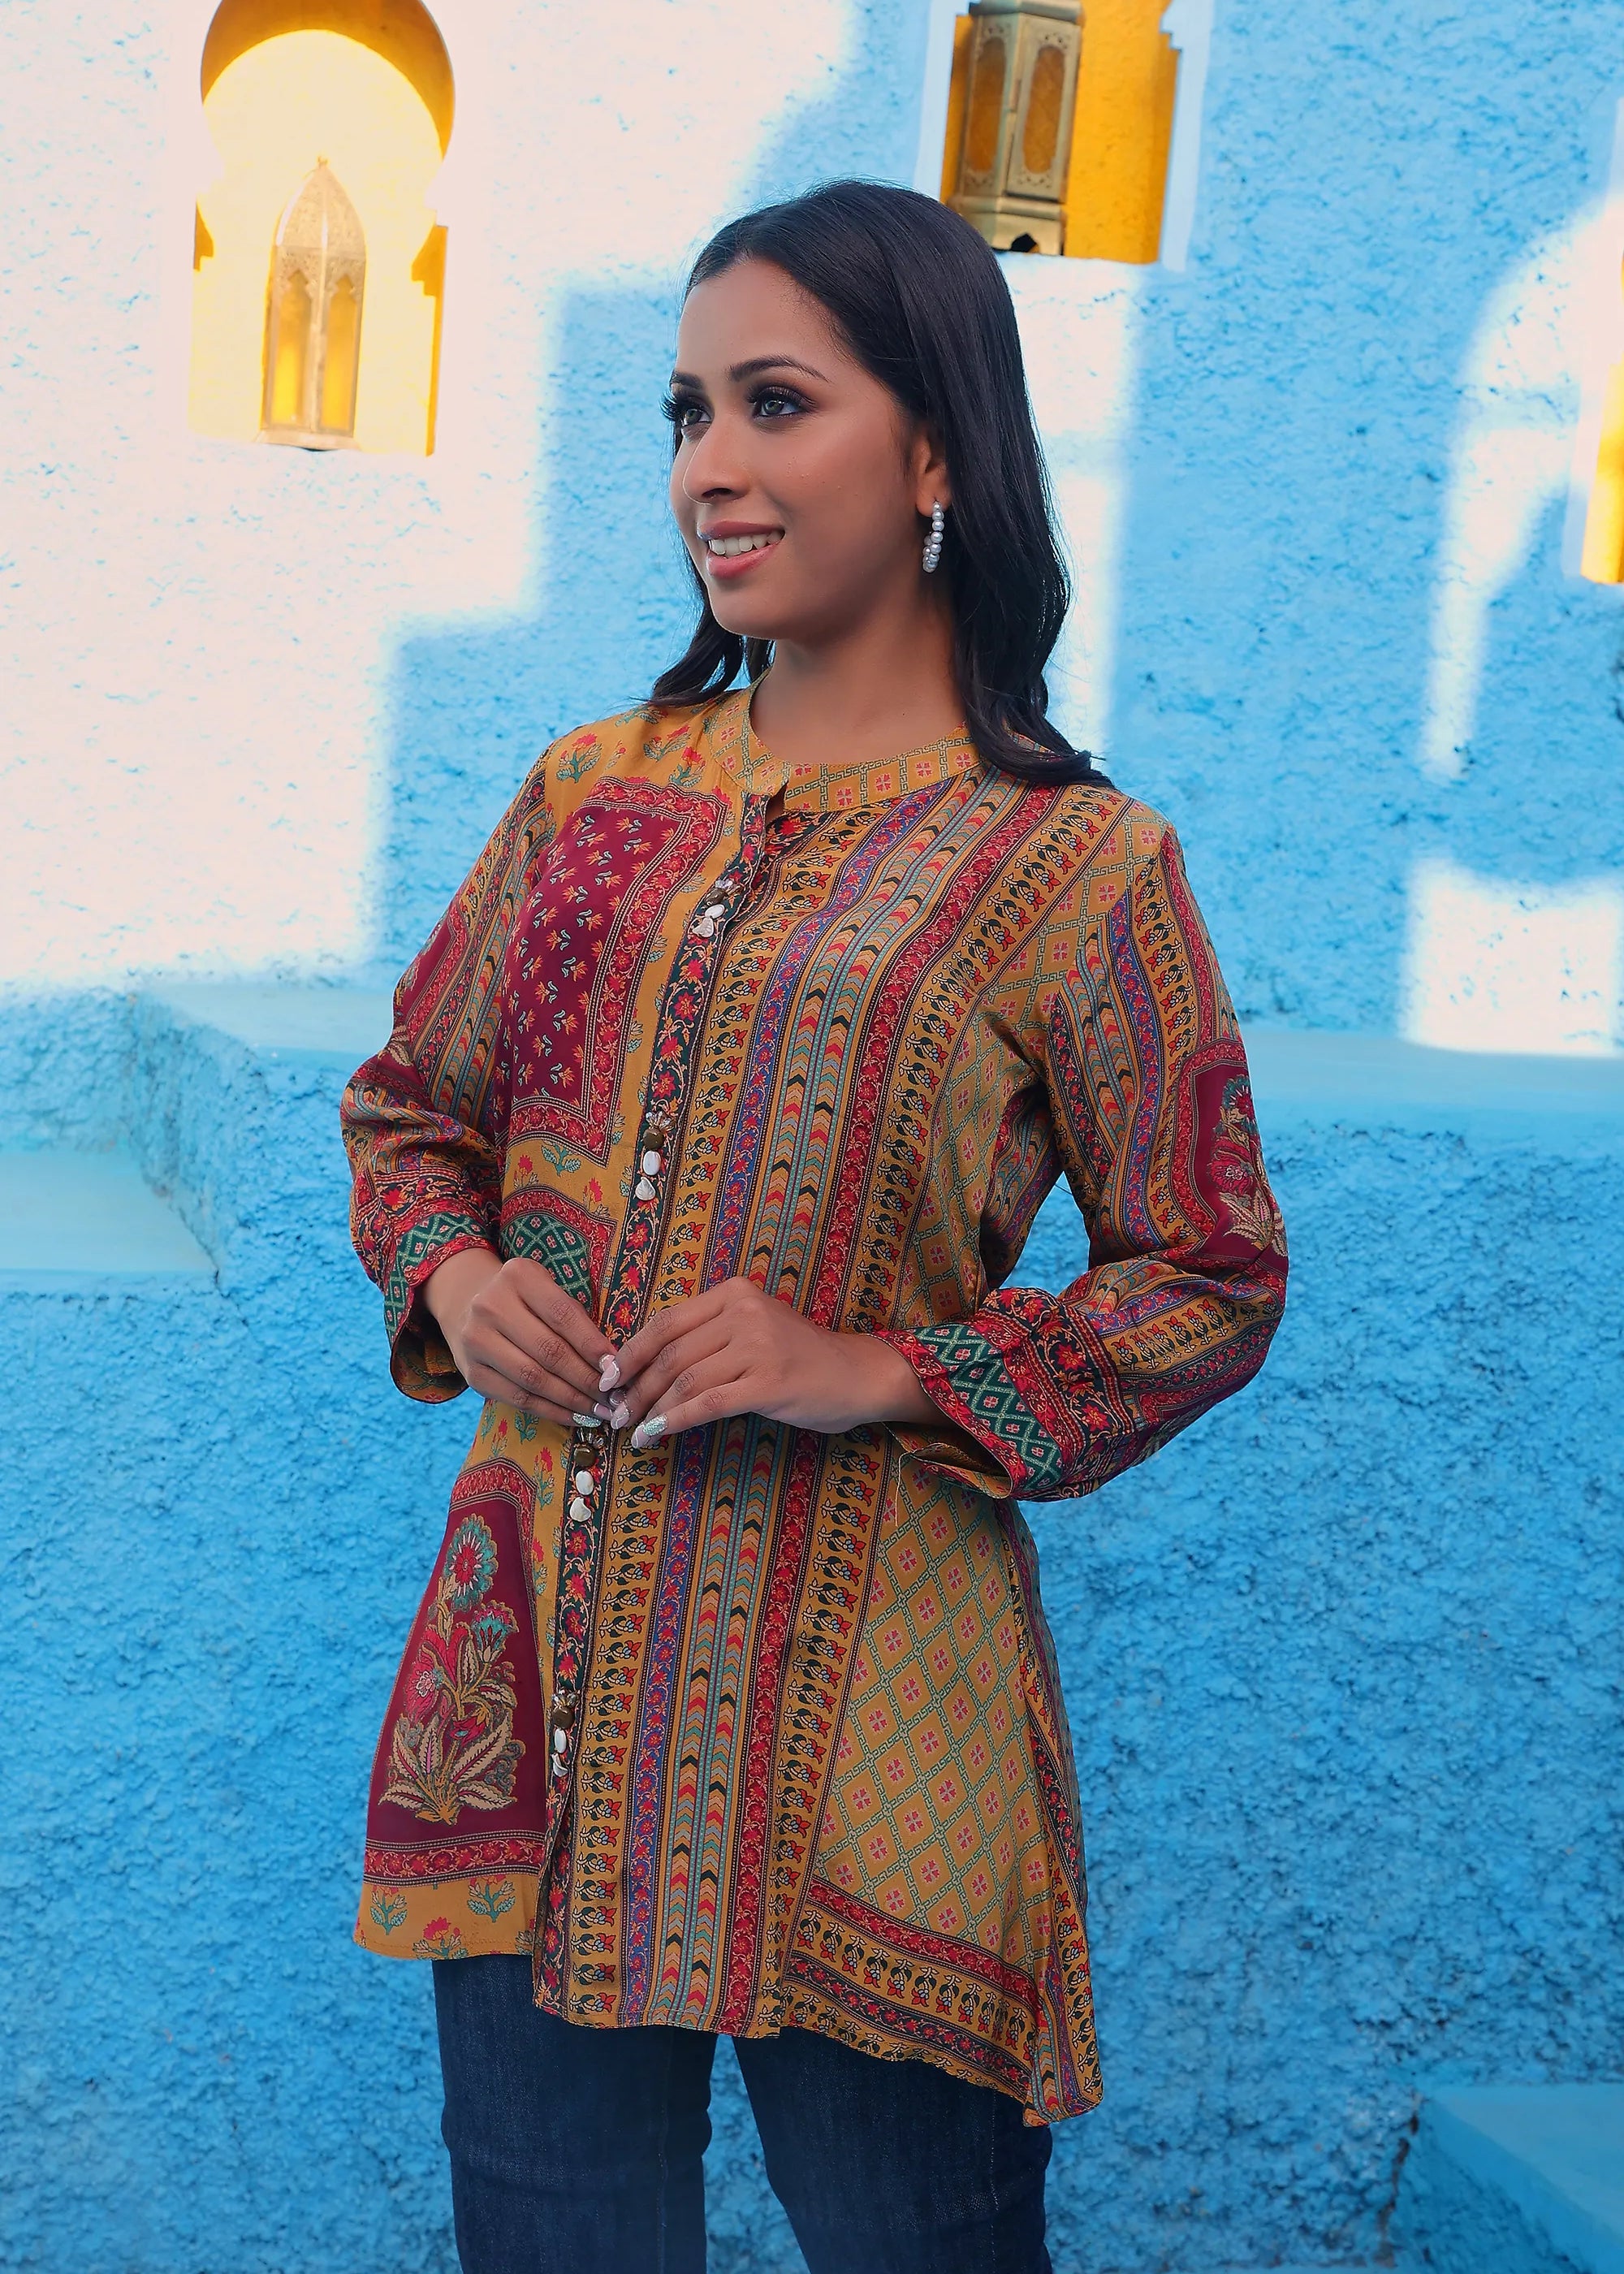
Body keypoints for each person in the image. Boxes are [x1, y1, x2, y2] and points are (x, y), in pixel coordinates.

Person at [341, 179, 1288, 2274]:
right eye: (687, 413)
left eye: (777, 403)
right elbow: (412, 1108)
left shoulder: (1078, 869)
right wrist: (458, 1275)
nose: (713, 465)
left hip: (876, 1744)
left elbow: (1212, 1274)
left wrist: (878, 1368)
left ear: (937, 451)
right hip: (535, 1690)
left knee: (918, 2243)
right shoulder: (592, 795)